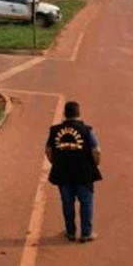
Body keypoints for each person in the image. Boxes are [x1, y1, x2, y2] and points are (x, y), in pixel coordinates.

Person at [45, 101, 102, 242]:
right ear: (78, 113)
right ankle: (86, 233)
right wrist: (94, 165)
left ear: (65, 113)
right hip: (83, 173)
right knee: (86, 203)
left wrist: (55, 163)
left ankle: (70, 232)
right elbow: (96, 151)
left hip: (63, 172)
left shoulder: (54, 130)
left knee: (67, 203)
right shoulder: (87, 130)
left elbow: (48, 150)